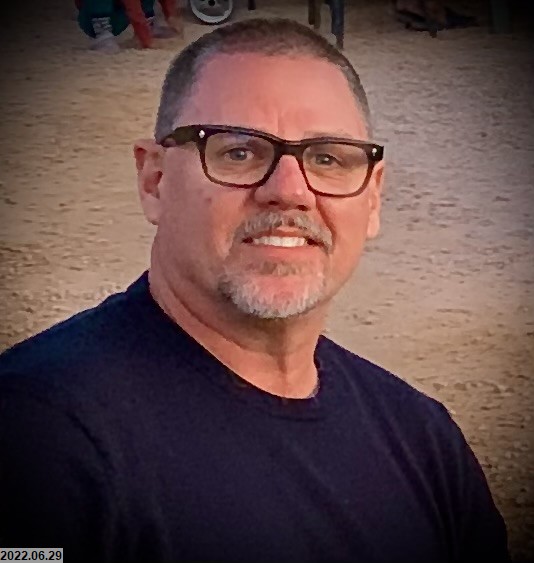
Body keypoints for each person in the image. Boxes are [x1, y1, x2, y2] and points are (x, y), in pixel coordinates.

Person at [0, 17, 511, 563]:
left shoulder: (423, 440)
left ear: (373, 199)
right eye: (238, 152)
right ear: (155, 181)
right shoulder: (38, 438)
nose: (289, 191)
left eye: (328, 158)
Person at [76, 0, 182, 53]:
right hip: (90, 15)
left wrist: (171, 15)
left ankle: (148, 23)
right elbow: (132, 4)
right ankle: (100, 33)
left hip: (118, 13)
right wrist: (146, 40)